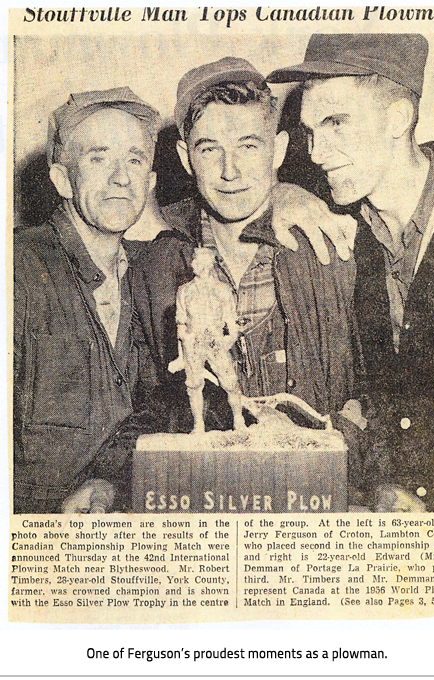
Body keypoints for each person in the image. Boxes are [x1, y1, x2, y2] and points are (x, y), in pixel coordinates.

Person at [268, 34, 434, 512]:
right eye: (310, 131)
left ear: (398, 118)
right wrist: (277, 192)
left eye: (337, 123)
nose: (316, 151)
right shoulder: (345, 226)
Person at [133, 57, 359, 434]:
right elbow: (147, 414)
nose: (230, 170)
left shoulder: (333, 245)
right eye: (209, 149)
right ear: (185, 159)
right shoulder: (152, 271)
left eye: (249, 146)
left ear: (280, 149)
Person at [14, 87, 160, 513]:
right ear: (62, 180)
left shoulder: (150, 275)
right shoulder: (18, 271)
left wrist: (108, 483)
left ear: (150, 181)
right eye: (98, 157)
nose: (121, 177)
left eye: (134, 159)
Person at [172, 247, 245, 433]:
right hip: (193, 344)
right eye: (194, 260)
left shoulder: (222, 290)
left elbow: (231, 319)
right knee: (194, 385)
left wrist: (231, 338)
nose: (193, 264)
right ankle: (198, 425)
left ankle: (239, 420)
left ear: (208, 264)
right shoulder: (184, 290)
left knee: (230, 383)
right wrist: (182, 350)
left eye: (197, 261)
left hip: (216, 342)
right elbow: (180, 322)